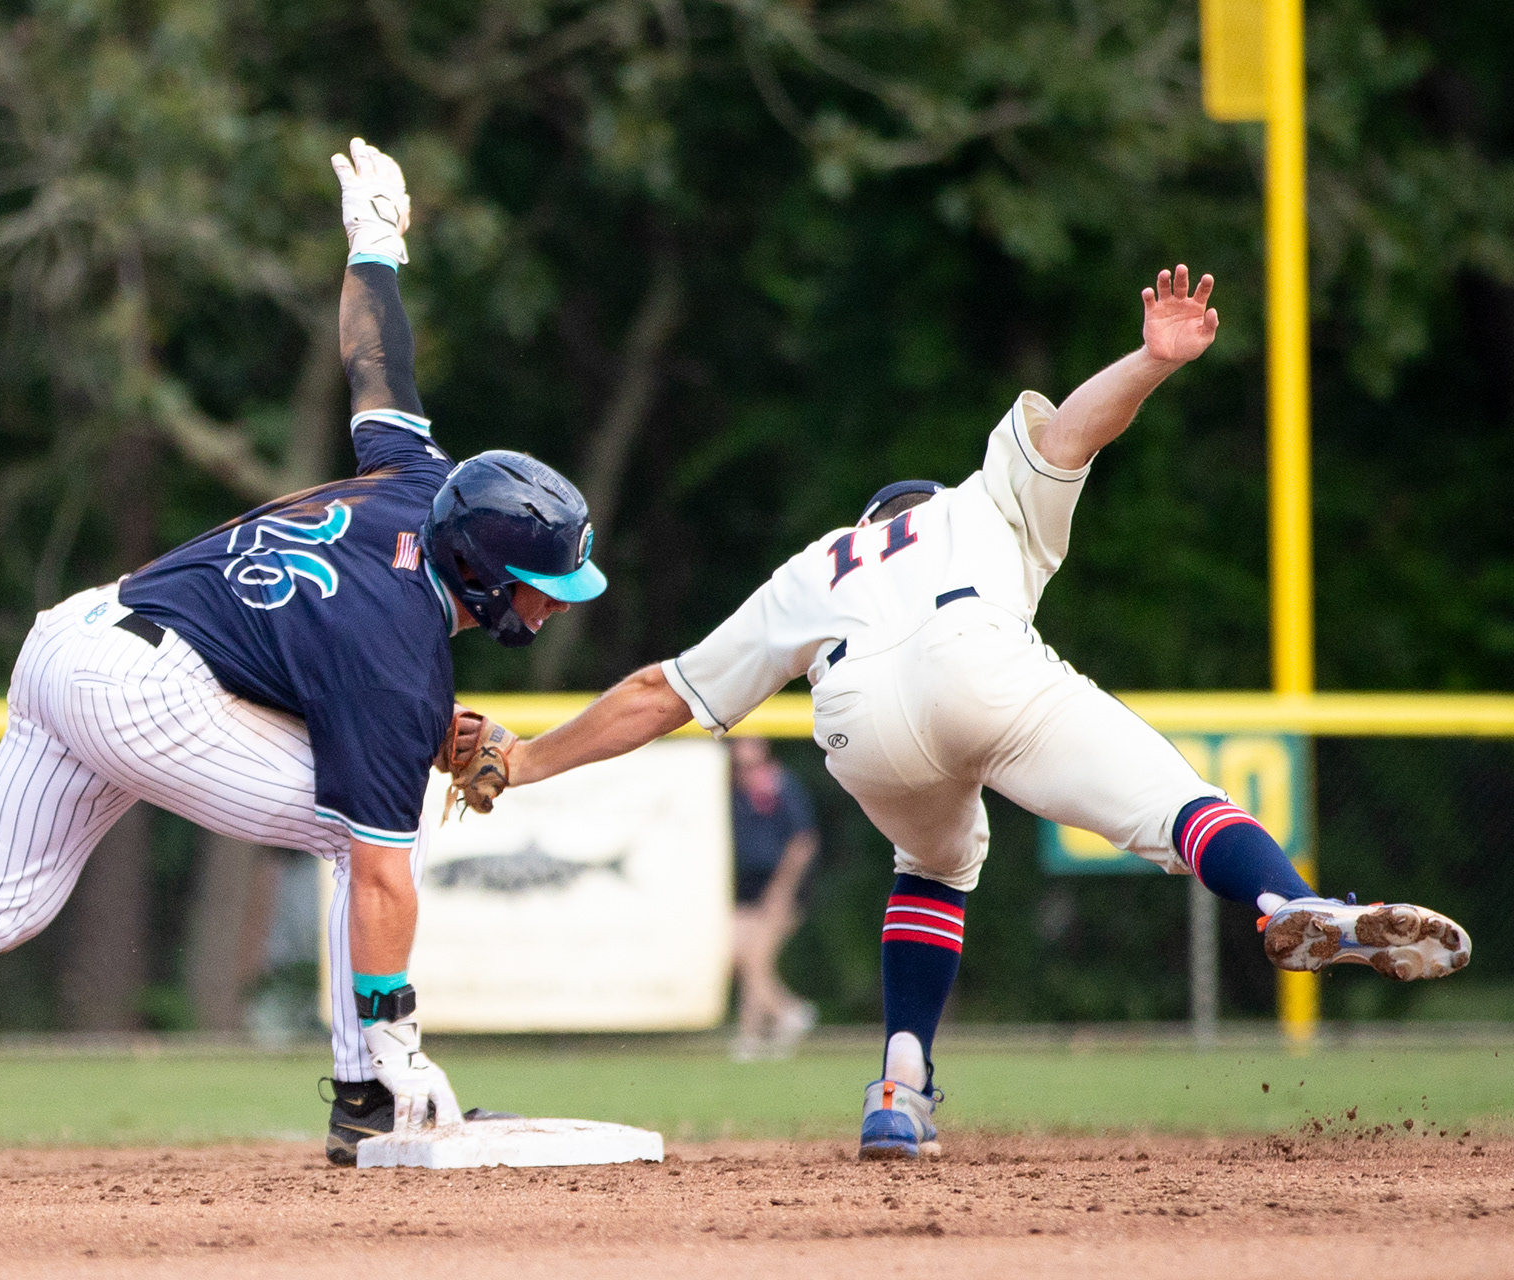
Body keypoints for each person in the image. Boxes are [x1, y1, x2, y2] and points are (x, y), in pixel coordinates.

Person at [0, 139, 608, 1179]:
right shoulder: (399, 650)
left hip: (73, 641)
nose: (548, 601)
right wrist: (397, 1016)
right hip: (147, 689)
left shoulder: (415, 476)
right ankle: (374, 1091)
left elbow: (376, 363)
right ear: (483, 567)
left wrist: (376, 240)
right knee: (364, 843)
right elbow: (385, 867)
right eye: (540, 581)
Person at [482, 265, 1472, 1160]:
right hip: (979, 661)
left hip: (857, 722)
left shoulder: (816, 564)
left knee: (936, 863)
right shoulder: (976, 501)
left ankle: (898, 1085)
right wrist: (1152, 357)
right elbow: (1073, 429)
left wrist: (524, 759)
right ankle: (1285, 902)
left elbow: (663, 690)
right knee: (1178, 804)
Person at [726, 738, 818, 1060]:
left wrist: (781, 891)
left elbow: (803, 842)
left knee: (756, 958)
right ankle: (783, 1016)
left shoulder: (781, 787)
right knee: (742, 957)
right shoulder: (733, 792)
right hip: (747, 891)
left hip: (780, 889)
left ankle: (757, 1031)